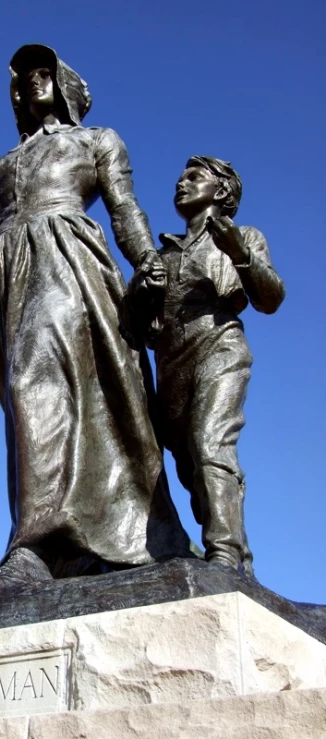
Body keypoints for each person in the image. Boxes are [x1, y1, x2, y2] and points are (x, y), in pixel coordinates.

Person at [0, 45, 191, 591]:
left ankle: (34, 548)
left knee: (36, 377)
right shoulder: (1, 164)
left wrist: (148, 262)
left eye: (45, 72)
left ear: (64, 83)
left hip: (67, 257)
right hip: (5, 272)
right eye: (25, 77)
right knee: (27, 404)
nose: (34, 82)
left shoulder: (96, 140)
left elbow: (124, 207)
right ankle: (74, 548)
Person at [127, 156, 285, 576]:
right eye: (181, 176)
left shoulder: (243, 236)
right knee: (191, 467)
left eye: (195, 177)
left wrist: (241, 253)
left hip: (219, 346)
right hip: (171, 364)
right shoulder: (162, 253)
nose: (182, 182)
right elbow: (134, 327)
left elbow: (270, 299)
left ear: (222, 191)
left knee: (210, 442)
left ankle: (224, 554)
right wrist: (143, 293)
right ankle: (240, 563)